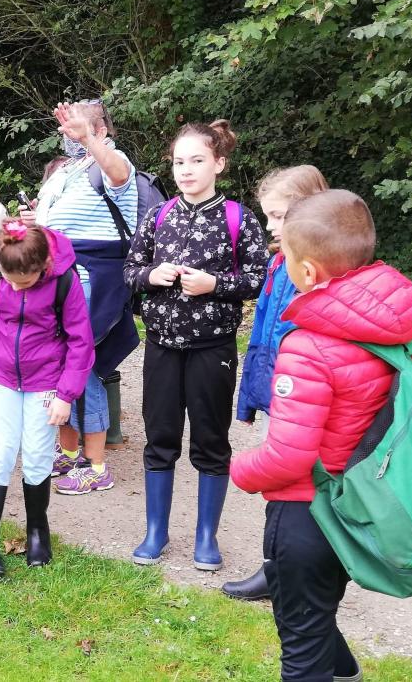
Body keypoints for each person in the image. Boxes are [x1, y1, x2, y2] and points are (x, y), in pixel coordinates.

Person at [231, 189, 412, 682]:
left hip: (307, 511)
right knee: (317, 613)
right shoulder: (394, 322)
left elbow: (289, 457)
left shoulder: (310, 344)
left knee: (300, 646)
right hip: (357, 503)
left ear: (310, 273)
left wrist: (240, 469)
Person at [122, 120, 268, 569]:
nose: (185, 170)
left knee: (210, 440)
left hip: (213, 349)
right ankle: (156, 532)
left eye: (197, 161)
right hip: (162, 346)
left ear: (219, 164)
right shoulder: (159, 215)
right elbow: (130, 268)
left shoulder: (238, 218)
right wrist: (151, 276)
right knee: (160, 438)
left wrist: (215, 284)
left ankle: (207, 537)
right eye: (179, 161)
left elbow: (260, 279)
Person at [0, 222, 94, 575]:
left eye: (25, 281)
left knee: (37, 453)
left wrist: (66, 394)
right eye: (10, 279)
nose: (16, 286)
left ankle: (38, 529)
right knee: (0, 450)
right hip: (3, 377)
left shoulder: (66, 280)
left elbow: (80, 341)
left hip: (47, 381)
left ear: (43, 266)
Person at [223, 165, 330, 601]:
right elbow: (262, 340)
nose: (270, 226)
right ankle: (278, 567)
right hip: (279, 393)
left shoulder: (316, 271)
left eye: (279, 216)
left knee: (297, 487)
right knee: (281, 489)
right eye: (268, 216)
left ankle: (289, 570)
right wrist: (253, 397)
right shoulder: (279, 263)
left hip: (303, 398)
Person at [23, 100, 140, 496]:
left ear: (102, 131)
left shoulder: (111, 160)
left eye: (82, 127)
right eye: (67, 128)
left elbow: (120, 176)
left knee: (83, 367)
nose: (70, 134)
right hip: (60, 273)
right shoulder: (70, 171)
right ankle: (70, 454)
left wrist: (89, 139)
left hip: (94, 276)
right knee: (63, 366)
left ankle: (97, 466)